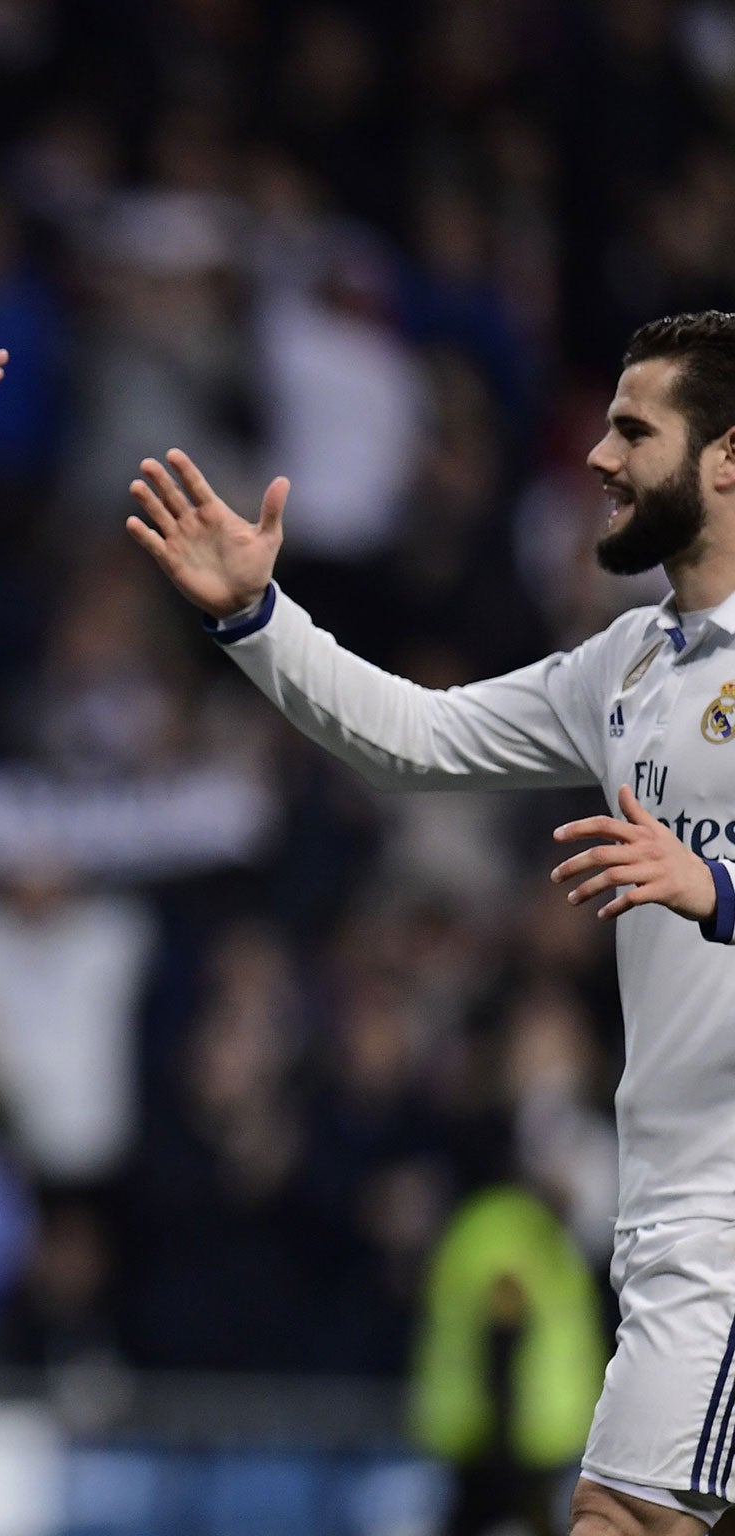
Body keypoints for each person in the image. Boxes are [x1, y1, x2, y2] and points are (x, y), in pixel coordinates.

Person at [125, 309, 735, 1536]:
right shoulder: (625, 667)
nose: (598, 458)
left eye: (633, 429)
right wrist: (258, 620)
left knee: (623, 1517)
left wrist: (717, 893)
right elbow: (415, 740)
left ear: (726, 456)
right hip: (671, 1185)